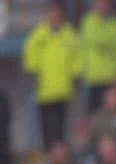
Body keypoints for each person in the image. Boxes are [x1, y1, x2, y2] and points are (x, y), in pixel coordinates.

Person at [22, 1, 80, 151]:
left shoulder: (70, 35)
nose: (54, 15)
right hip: (44, 90)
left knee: (61, 128)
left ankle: (59, 156)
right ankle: (48, 156)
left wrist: (74, 76)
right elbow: (30, 54)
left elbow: (76, 59)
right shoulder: (39, 34)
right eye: (51, 12)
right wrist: (32, 73)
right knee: (46, 128)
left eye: (57, 12)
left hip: (63, 90)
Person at [80, 0, 116, 112]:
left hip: (111, 77)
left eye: (105, 3)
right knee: (92, 115)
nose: (102, 6)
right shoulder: (88, 21)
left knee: (111, 115)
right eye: (99, 3)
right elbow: (94, 38)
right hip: (92, 77)